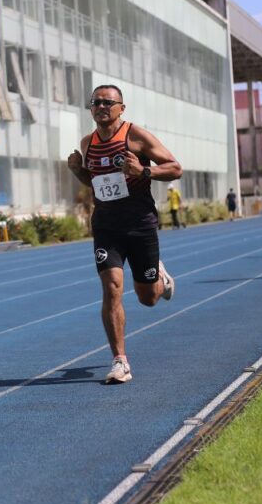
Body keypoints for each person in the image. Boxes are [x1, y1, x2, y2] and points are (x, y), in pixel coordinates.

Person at [67, 85, 182, 384]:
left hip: (140, 223)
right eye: (96, 102)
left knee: (148, 298)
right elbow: (94, 182)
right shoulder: (87, 143)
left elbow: (175, 168)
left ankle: (160, 277)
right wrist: (78, 171)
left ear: (122, 107)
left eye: (108, 102)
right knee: (112, 286)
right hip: (106, 225)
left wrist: (143, 171)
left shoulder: (136, 136)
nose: (101, 107)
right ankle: (120, 361)